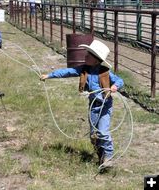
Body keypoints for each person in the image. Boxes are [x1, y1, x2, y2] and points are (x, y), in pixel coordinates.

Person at [40, 40, 124, 169]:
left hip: (105, 106)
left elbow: (119, 80)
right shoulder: (83, 70)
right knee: (93, 135)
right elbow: (67, 72)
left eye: (88, 55)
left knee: (103, 131)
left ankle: (108, 156)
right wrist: (50, 75)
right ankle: (101, 156)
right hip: (93, 107)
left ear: (96, 60)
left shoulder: (105, 72)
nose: (85, 56)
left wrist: (114, 86)